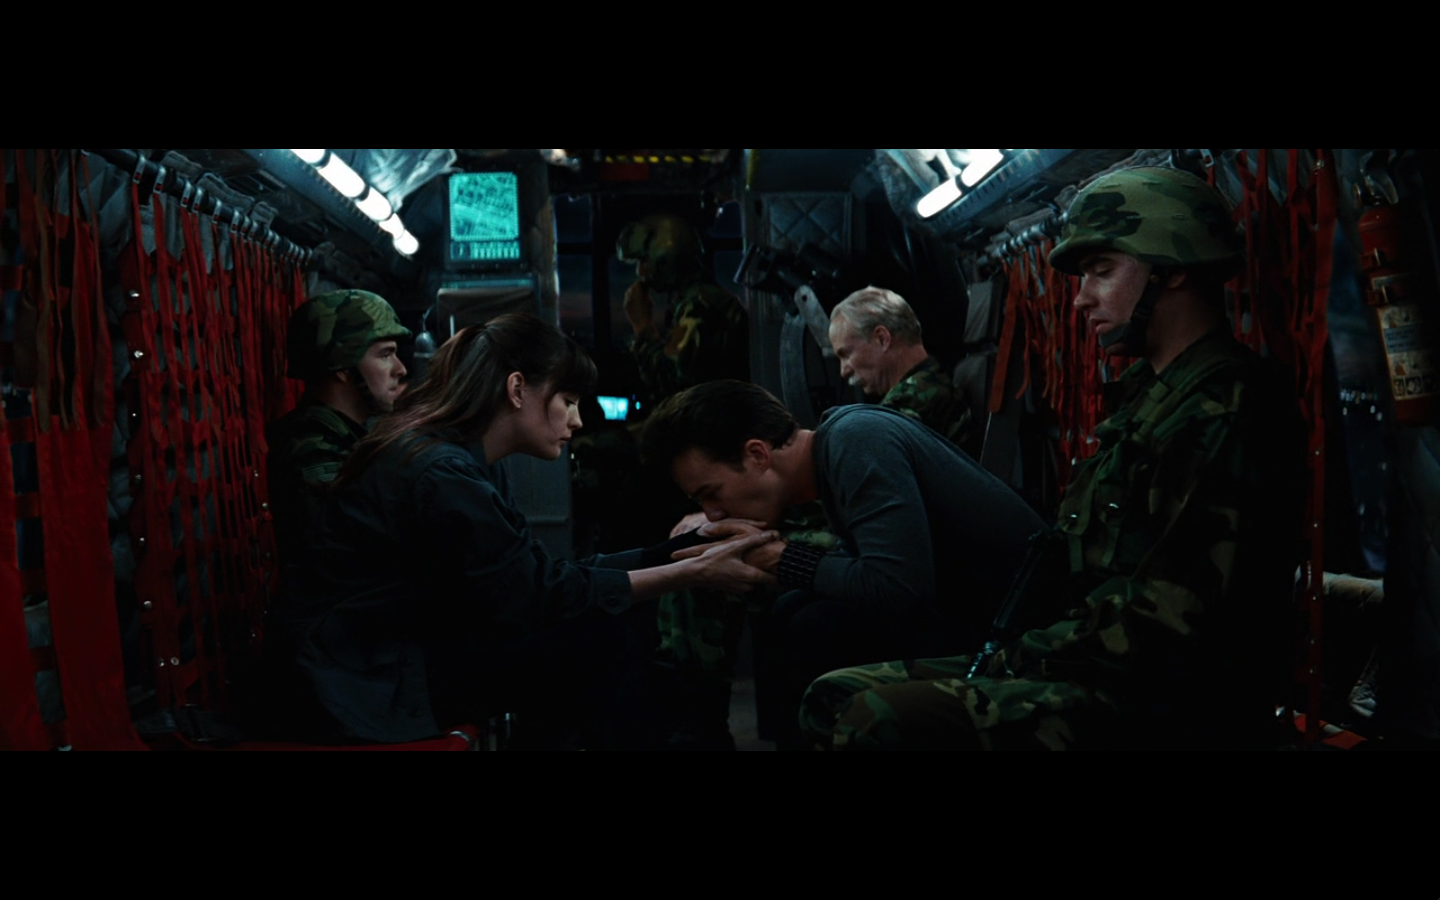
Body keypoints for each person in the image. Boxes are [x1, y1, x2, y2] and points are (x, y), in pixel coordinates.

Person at [799, 166, 1305, 750]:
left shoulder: (1226, 407)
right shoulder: (1150, 397)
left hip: (1155, 695)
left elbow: (1169, 620)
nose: (1081, 297)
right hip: (1089, 661)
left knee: (875, 717)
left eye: (1102, 271)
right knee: (830, 695)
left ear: (1173, 269)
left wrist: (1022, 655)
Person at [263, 313, 776, 748]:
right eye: (568, 400)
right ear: (516, 390)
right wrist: (690, 572)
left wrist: (683, 550)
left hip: (381, 661)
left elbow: (537, 579)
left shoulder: (460, 459)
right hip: (357, 681)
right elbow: (538, 596)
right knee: (597, 634)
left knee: (594, 628)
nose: (577, 421)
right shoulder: (443, 472)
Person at [640, 379, 1046, 748]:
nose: (712, 513)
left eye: (712, 493)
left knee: (815, 625)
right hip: (976, 612)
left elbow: (898, 586)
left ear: (758, 454)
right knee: (793, 608)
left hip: (1023, 632)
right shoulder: (838, 450)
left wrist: (782, 558)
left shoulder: (857, 439)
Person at [266, 288, 411, 566]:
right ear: (342, 366)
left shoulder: (348, 435)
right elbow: (355, 559)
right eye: (385, 355)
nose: (400, 369)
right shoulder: (313, 451)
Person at [617, 212, 749, 406]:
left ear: (665, 258)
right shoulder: (699, 299)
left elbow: (672, 383)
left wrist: (642, 325)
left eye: (644, 260)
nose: (640, 271)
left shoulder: (700, 306)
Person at [828, 286, 973, 451]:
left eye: (846, 354)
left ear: (882, 339)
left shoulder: (907, 406)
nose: (844, 371)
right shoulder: (935, 385)